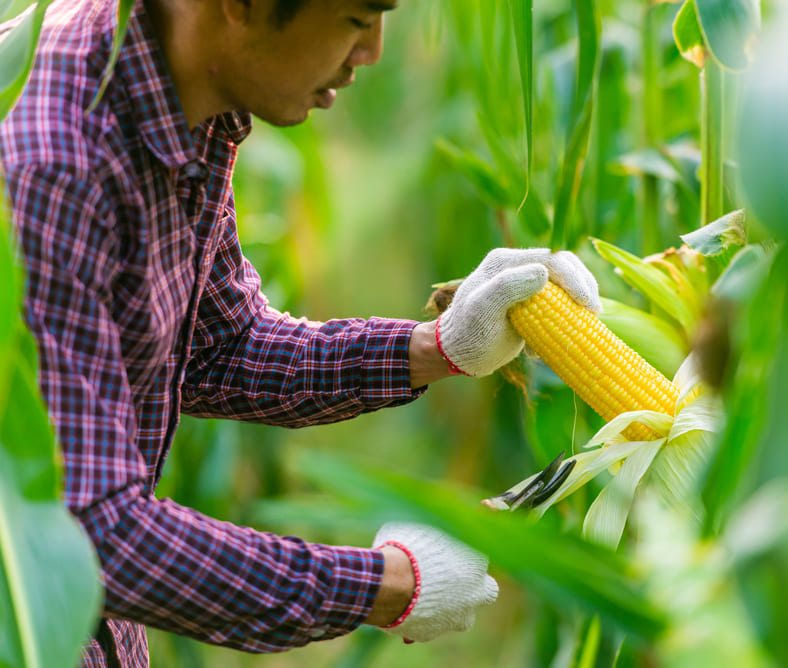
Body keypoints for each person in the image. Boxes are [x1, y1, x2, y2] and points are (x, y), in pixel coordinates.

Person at [0, 0, 601, 665]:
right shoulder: (55, 162)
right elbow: (86, 532)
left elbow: (217, 348)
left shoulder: (185, 107)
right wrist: (384, 585)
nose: (372, 51)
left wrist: (440, 346)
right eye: (356, 17)